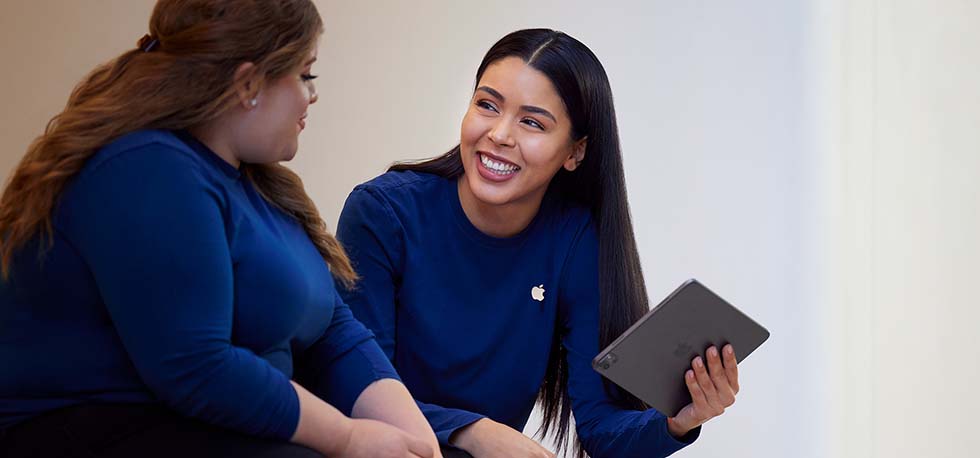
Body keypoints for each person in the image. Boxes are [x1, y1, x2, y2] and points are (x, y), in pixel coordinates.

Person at [0, 1, 439, 457]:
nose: (312, 96)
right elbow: (195, 367)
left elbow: (332, 329)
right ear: (249, 82)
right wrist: (347, 438)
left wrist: (419, 444)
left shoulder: (258, 185)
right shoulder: (146, 168)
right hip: (86, 429)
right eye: (305, 75)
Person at [336, 29, 742, 458]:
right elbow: (358, 391)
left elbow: (600, 428)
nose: (499, 134)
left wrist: (676, 422)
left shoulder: (572, 238)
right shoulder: (382, 212)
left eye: (532, 122)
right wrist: (473, 431)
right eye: (486, 105)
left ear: (575, 152)